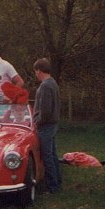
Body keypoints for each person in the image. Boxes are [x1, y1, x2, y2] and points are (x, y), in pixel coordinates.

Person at [33, 58, 61, 193]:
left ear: (39, 70)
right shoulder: (53, 83)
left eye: (36, 71)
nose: (36, 74)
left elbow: (45, 110)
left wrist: (37, 122)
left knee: (47, 156)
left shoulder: (45, 86)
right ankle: (57, 181)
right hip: (52, 124)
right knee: (53, 154)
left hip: (46, 126)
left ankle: (52, 186)